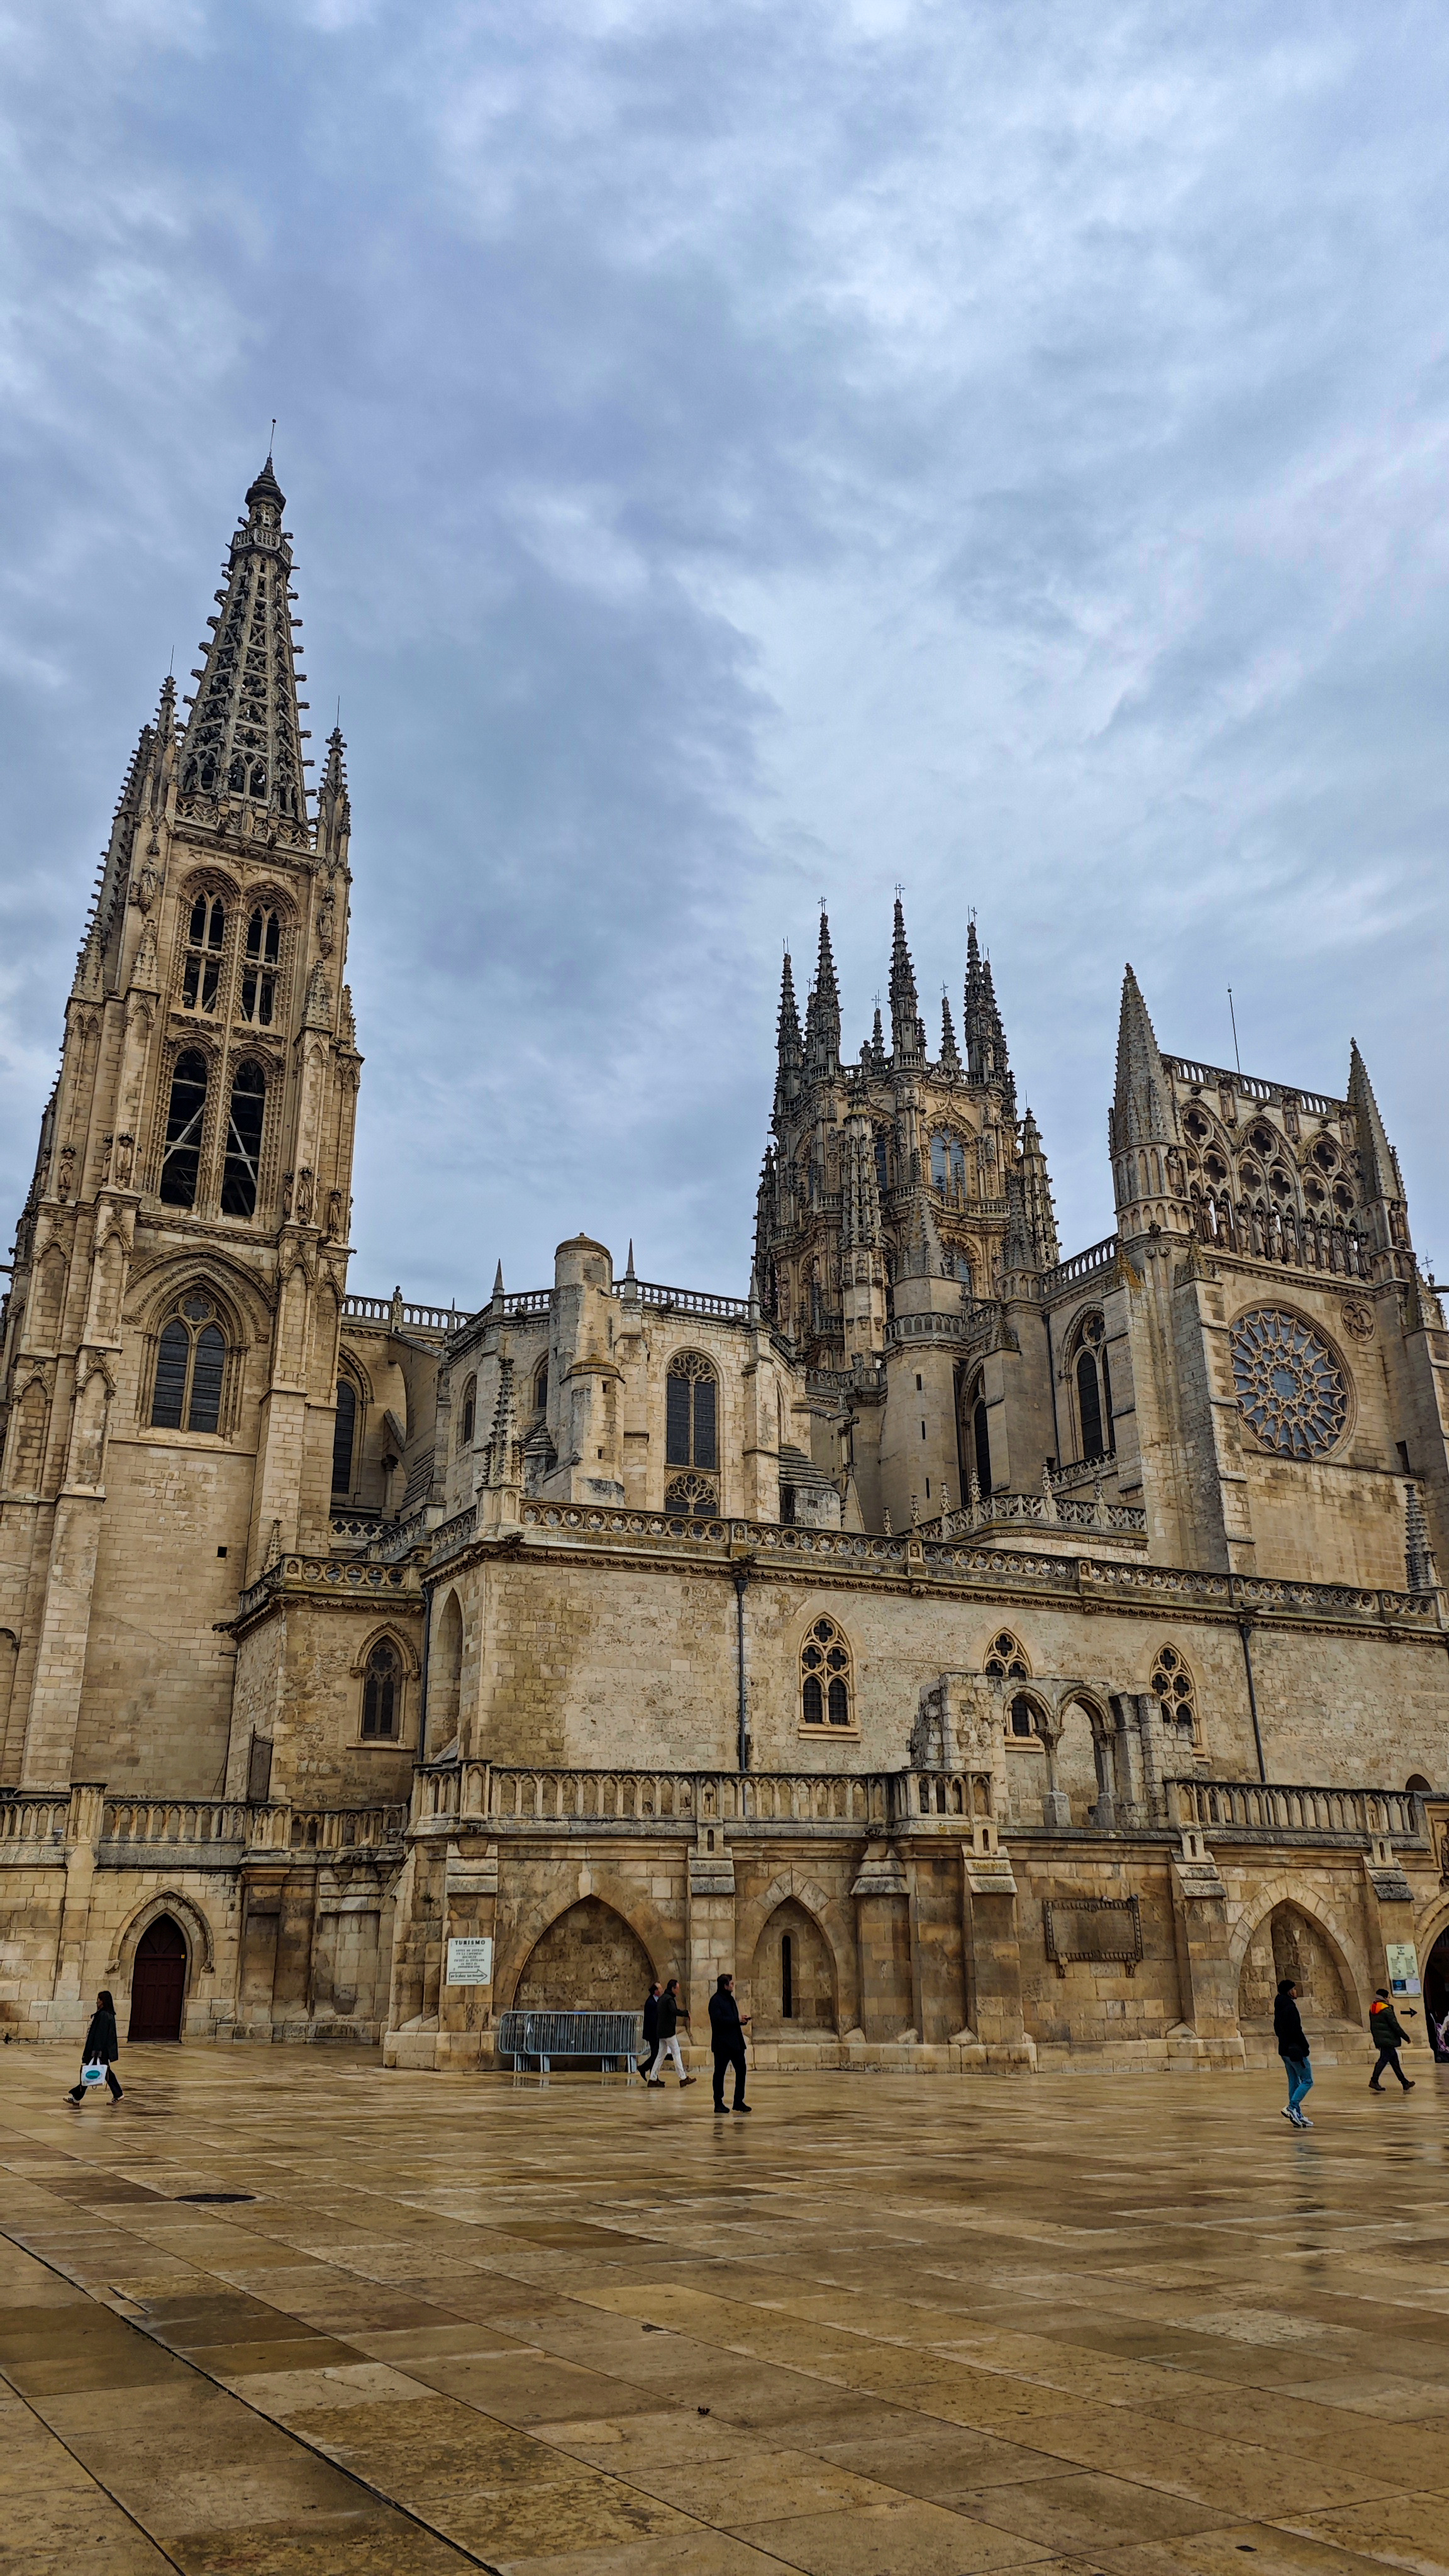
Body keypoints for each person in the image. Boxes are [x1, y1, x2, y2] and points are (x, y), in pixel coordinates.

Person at [66, 1990, 123, 2107]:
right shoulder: (106, 2014)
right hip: (100, 2052)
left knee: (90, 2073)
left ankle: (76, 2098)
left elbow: (100, 2036)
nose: (97, 2001)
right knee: (103, 2072)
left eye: (99, 1999)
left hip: (98, 2052)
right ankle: (118, 2094)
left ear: (103, 2001)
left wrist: (96, 2052)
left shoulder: (104, 2015)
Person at [708, 1972, 750, 2113]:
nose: (733, 1986)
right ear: (725, 1986)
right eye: (731, 1984)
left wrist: (741, 2020)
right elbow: (718, 2021)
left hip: (735, 2043)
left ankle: (738, 2101)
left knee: (741, 2070)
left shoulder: (730, 2000)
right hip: (722, 2045)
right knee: (719, 2073)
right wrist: (736, 2020)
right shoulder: (715, 2001)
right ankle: (718, 2102)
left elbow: (732, 2019)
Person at [1274, 1977, 1313, 2128]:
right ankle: (1291, 2107)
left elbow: (1278, 2029)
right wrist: (1305, 2047)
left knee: (1294, 2081)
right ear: (1289, 1992)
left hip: (1284, 2050)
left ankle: (1297, 2113)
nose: (1296, 1992)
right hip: (1295, 2051)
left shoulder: (1279, 2007)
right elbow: (1297, 2030)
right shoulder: (1290, 2008)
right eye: (1294, 1989)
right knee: (1308, 2080)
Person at [1368, 1988, 1415, 2092]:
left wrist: (1376, 2041)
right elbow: (1395, 2026)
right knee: (1383, 2060)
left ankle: (1405, 2083)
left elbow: (1373, 2027)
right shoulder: (1386, 2009)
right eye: (1388, 1997)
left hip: (1381, 2039)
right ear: (1385, 1998)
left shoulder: (1373, 2009)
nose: (1389, 1999)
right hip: (1388, 2040)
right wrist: (1406, 2037)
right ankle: (1374, 2080)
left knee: (1394, 2062)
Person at [651, 1978, 694, 2087]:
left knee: (661, 2055)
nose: (678, 1991)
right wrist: (685, 2013)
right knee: (676, 2052)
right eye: (677, 1989)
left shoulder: (662, 1998)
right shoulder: (669, 1999)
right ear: (673, 1988)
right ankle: (683, 2078)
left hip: (661, 2032)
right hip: (668, 2032)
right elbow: (674, 2011)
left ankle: (653, 2078)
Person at [641, 1980, 662, 2084]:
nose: (661, 1990)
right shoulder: (651, 2003)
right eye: (660, 1989)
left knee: (657, 2054)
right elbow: (652, 2020)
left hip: (656, 2033)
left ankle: (650, 2073)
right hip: (653, 2033)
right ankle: (651, 2075)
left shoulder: (656, 2001)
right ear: (655, 1991)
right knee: (656, 2054)